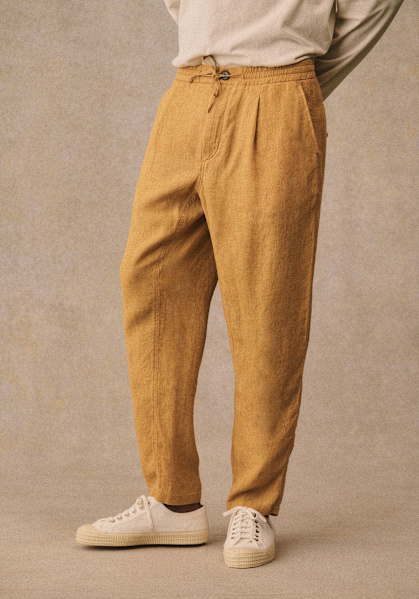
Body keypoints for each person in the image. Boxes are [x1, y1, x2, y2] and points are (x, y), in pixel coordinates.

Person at [76, 0, 404, 568]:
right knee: (151, 280)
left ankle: (254, 503)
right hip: (190, 88)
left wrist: (298, 78)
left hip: (275, 92)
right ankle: (173, 502)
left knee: (266, 303)